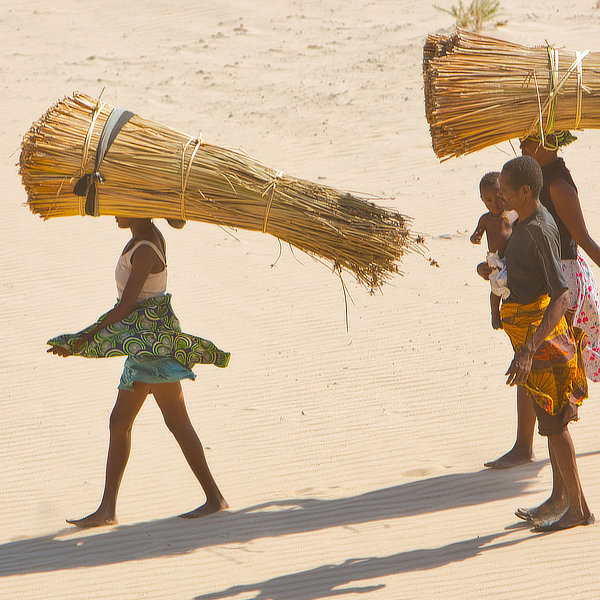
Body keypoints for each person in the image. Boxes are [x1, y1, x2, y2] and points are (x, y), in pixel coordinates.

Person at [47, 216, 230, 528]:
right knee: (139, 422)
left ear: (139, 207)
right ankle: (110, 509)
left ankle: (212, 499)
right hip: (145, 346)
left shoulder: (145, 247)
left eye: (121, 206)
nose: (114, 213)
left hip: (153, 351)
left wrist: (80, 340)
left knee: (156, 422)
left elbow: (125, 308)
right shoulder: (142, 238)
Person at [485, 131, 600, 469]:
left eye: (527, 141)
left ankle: (533, 454)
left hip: (561, 285)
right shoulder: (534, 182)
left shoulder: (557, 186)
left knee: (552, 368)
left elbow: (583, 241)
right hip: (543, 283)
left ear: (549, 141)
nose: (521, 146)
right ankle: (524, 447)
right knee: (534, 365)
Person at [498, 155, 592, 530]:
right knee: (551, 424)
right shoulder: (525, 221)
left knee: (556, 426)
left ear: (525, 191)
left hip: (545, 346)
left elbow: (561, 295)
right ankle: (563, 500)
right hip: (536, 343)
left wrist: (528, 348)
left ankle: (579, 510)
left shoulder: (538, 229)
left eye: (505, 190)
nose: (500, 196)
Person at [470, 171, 517, 330]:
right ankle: (495, 314)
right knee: (496, 289)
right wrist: (475, 238)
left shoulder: (512, 215)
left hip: (512, 258)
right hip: (495, 258)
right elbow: (477, 233)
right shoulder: (485, 219)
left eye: (498, 198)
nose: (494, 203)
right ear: (482, 200)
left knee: (509, 287)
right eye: (489, 200)